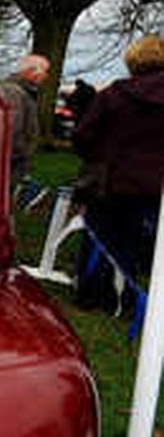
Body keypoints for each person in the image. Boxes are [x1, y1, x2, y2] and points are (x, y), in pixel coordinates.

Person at [72, 35, 164, 311]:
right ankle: (123, 298)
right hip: (153, 185)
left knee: (98, 238)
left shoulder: (113, 95)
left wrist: (96, 156)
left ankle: (90, 294)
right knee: (134, 243)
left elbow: (83, 135)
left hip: (109, 180)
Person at [0, 53, 49, 185]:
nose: (46, 76)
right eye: (45, 71)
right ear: (31, 72)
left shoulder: (23, 92)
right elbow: (11, 129)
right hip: (9, 164)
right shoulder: (14, 93)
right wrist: (21, 153)